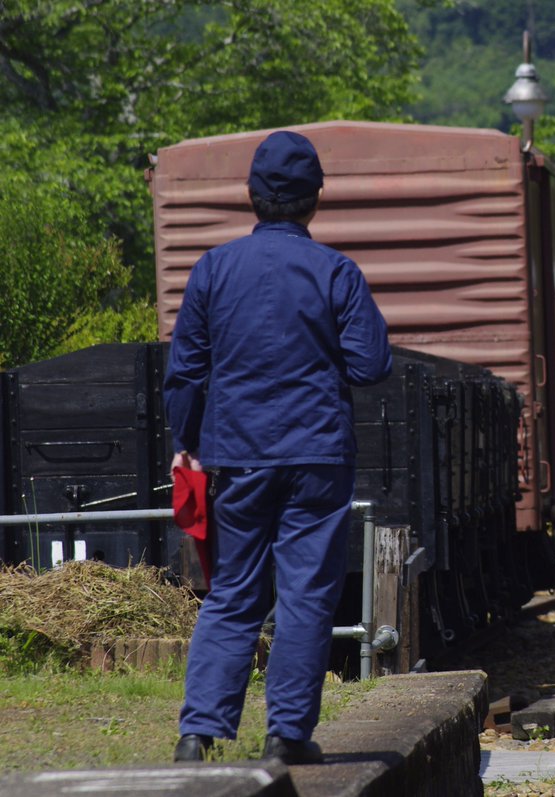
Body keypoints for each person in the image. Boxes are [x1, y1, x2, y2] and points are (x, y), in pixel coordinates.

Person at [164, 131, 393, 765]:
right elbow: (372, 363)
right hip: (317, 454)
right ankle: (287, 735)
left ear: (250, 196)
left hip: (234, 453)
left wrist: (186, 441)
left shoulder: (213, 269)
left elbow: (185, 372)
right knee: (304, 595)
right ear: (316, 199)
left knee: (234, 590)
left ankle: (197, 732)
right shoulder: (336, 272)